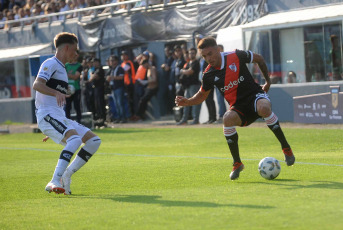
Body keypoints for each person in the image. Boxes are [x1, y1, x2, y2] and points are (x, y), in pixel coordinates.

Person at [175, 37, 295, 180]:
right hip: (239, 107)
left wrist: (267, 82)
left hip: (255, 96)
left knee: (263, 107)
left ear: (218, 50)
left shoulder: (236, 55)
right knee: (227, 118)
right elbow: (202, 94)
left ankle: (286, 148)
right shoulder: (208, 74)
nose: (208, 58)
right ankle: (237, 163)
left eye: (210, 53)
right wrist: (187, 101)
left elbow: (259, 58)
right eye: (204, 56)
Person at [32, 32, 101, 194]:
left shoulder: (62, 68)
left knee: (94, 141)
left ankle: (66, 175)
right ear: (67, 47)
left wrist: (57, 129)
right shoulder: (51, 63)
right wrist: (56, 93)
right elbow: (37, 84)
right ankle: (55, 180)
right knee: (76, 139)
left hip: (57, 117)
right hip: (46, 115)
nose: (76, 54)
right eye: (75, 50)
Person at [177, 47, 201, 125]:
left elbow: (190, 72)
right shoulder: (188, 63)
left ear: (196, 54)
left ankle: (195, 119)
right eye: (190, 53)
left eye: (193, 53)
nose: (191, 55)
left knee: (194, 103)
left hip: (194, 85)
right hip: (187, 86)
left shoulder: (196, 63)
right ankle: (184, 119)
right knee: (185, 103)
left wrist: (182, 71)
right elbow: (186, 71)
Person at [105, 55, 126, 123]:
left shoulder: (119, 68)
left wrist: (112, 77)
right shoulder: (111, 69)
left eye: (113, 60)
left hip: (119, 88)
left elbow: (121, 77)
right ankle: (118, 117)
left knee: (120, 103)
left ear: (116, 61)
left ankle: (123, 118)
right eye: (111, 61)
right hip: (113, 88)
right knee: (116, 104)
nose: (112, 62)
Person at [65, 51, 82, 123]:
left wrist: (67, 75)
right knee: (67, 107)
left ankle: (79, 122)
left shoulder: (79, 66)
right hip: (67, 89)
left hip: (76, 89)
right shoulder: (66, 65)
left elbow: (76, 77)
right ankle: (67, 122)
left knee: (77, 106)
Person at [89, 58, 106, 125]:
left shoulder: (100, 69)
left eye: (95, 62)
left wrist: (91, 75)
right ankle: (99, 117)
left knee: (100, 103)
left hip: (100, 88)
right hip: (95, 88)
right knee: (97, 104)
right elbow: (91, 77)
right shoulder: (95, 69)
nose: (94, 64)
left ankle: (103, 118)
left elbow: (94, 77)